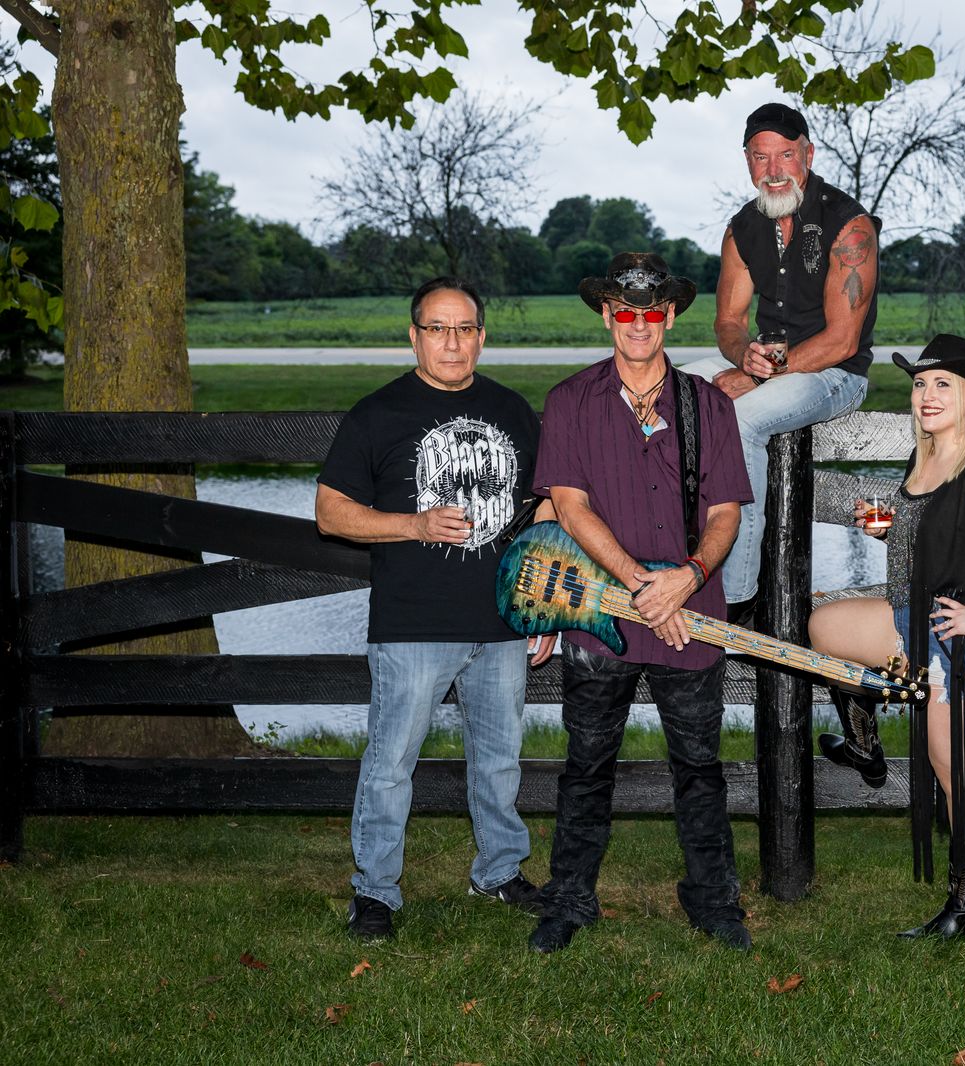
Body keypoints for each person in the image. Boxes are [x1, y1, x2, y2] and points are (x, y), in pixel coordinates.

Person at [528, 253, 754, 954]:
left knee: (700, 768)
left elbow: (726, 512)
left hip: (690, 613)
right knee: (586, 765)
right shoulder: (569, 401)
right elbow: (569, 507)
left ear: (670, 316)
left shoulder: (709, 404)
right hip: (602, 617)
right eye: (624, 312)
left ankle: (713, 901)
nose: (638, 324)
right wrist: (638, 583)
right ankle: (569, 899)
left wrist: (686, 576)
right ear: (606, 315)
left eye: (651, 312)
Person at [316, 276, 554, 942]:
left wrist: (543, 606)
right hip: (413, 624)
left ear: (482, 336)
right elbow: (330, 513)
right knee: (391, 764)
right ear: (414, 336)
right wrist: (413, 526)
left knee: (500, 761)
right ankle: (375, 892)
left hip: (503, 623)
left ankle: (498, 872)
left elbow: (547, 507)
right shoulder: (377, 413)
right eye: (438, 328)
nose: (452, 342)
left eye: (465, 328)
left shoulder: (512, 409)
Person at [808, 334, 965, 938]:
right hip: (912, 619)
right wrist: (889, 529)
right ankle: (865, 745)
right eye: (919, 384)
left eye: (942, 385)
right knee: (824, 627)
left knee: (955, 768)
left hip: (957, 641)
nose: (926, 395)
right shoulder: (926, 456)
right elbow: (941, 533)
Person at [680, 102, 879, 623]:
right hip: (768, 365)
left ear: (807, 155)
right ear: (746, 160)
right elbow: (728, 322)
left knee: (743, 419)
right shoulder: (742, 228)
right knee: (673, 389)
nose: (773, 170)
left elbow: (841, 340)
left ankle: (736, 596)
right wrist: (742, 354)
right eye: (760, 157)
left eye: (785, 155)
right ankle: (673, 546)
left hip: (833, 375)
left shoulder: (849, 224)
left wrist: (758, 372)